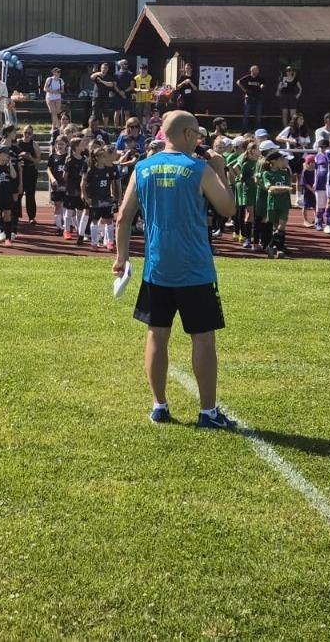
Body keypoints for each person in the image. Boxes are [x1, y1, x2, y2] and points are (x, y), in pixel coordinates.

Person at [113, 110, 238, 430]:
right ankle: (208, 413)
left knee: (157, 336)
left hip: (157, 268)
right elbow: (227, 208)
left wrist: (121, 257)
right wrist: (220, 167)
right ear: (184, 134)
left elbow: (123, 217)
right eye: (197, 134)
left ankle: (159, 406)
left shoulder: (141, 168)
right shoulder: (199, 168)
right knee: (203, 339)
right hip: (195, 268)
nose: (199, 140)